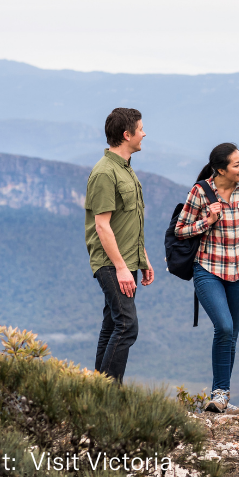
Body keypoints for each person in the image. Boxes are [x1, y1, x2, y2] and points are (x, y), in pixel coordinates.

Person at [175, 143, 239, 414]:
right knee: (223, 327)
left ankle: (222, 397)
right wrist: (207, 222)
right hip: (208, 269)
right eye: (236, 165)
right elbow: (180, 230)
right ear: (221, 169)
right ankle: (219, 393)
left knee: (231, 334)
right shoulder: (200, 192)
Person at [85, 107, 154, 382]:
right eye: (140, 129)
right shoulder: (104, 173)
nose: (144, 133)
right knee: (127, 325)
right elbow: (102, 225)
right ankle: (110, 394)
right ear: (127, 135)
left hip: (127, 260)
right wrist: (122, 268)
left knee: (112, 324)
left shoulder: (125, 169)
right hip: (112, 264)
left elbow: (129, 221)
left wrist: (143, 259)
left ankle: (97, 389)